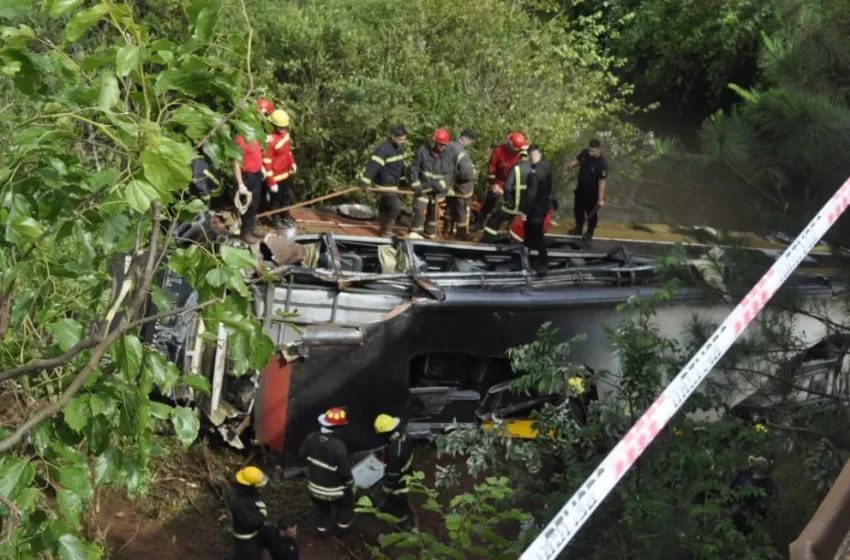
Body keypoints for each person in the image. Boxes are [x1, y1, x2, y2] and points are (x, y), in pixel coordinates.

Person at [299, 407, 355, 536]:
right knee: (345, 507)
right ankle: (342, 531)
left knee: (321, 510)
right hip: (335, 492)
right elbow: (345, 472)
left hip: (314, 489)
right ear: (337, 428)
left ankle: (322, 532)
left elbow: (301, 454)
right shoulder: (339, 447)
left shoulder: (311, 438)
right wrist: (350, 484)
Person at [233, 98, 274, 243]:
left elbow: (257, 152)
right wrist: (240, 184)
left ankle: (251, 229)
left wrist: (262, 167)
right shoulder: (241, 139)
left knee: (255, 203)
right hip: (248, 176)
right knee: (249, 205)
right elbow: (236, 162)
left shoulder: (255, 135)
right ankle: (246, 233)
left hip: (257, 174)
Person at [359, 125, 408, 237]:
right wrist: (365, 181)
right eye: (400, 139)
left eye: (403, 139)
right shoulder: (383, 149)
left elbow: (399, 167)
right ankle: (386, 231)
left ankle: (382, 228)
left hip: (393, 184)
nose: (402, 142)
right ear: (393, 136)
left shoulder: (399, 149)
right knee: (395, 206)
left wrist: (402, 181)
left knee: (386, 206)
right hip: (384, 184)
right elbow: (373, 165)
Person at [474, 132, 528, 229]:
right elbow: (491, 171)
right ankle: (479, 223)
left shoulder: (523, 154)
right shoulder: (498, 151)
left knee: (517, 203)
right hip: (500, 182)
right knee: (491, 198)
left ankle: (511, 226)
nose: (516, 151)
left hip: (515, 184)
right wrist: (493, 184)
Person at [408, 128, 454, 239]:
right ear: (435, 143)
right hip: (423, 189)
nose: (443, 147)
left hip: (437, 192)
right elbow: (413, 170)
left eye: (445, 144)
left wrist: (440, 185)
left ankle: (429, 234)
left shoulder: (447, 154)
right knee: (418, 210)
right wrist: (416, 186)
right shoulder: (423, 152)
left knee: (433, 215)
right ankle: (413, 234)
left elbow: (450, 173)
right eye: (441, 144)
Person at [480, 148, 530, 243]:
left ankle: (487, 241)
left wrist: (508, 200)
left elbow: (507, 187)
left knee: (494, 219)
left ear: (519, 157)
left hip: (513, 206)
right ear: (528, 156)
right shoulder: (535, 169)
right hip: (527, 209)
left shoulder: (515, 168)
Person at [517, 146, 554, 274]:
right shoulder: (547, 167)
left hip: (534, 210)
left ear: (530, 156)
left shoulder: (534, 174)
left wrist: (524, 212)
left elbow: (530, 195)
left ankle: (542, 264)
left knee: (533, 236)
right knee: (533, 236)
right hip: (543, 207)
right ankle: (528, 262)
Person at [374, 414, 414, 522]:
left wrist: (385, 488)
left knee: (396, 508)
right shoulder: (404, 437)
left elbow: (392, 476)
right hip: (407, 475)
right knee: (401, 503)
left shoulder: (394, 454)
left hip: (399, 486)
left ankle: (399, 526)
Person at [567, 138, 608, 241]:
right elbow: (578, 160)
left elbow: (602, 183)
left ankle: (590, 232)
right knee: (578, 210)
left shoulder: (602, 164)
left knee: (591, 213)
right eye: (590, 150)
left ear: (598, 149)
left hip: (592, 193)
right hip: (581, 189)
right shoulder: (585, 153)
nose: (590, 153)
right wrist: (571, 165)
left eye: (593, 151)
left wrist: (600, 199)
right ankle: (578, 228)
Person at [264, 109, 297, 228]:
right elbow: (266, 161)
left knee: (286, 196)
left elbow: (288, 152)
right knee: (276, 199)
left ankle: (285, 215)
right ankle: (276, 218)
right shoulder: (270, 140)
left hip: (286, 172)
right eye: (279, 127)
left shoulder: (285, 134)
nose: (282, 129)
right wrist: (271, 182)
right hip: (275, 174)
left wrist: (292, 163)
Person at [229, 465, 271, 560]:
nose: (260, 489)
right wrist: (263, 513)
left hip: (254, 539)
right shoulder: (239, 503)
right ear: (250, 487)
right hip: (245, 543)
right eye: (258, 487)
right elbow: (252, 522)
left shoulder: (248, 495)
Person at [444, 129, 478, 240]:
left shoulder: (448, 146)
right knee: (462, 210)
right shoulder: (462, 153)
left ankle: (446, 231)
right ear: (466, 139)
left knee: (449, 208)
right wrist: (474, 174)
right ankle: (461, 234)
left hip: (448, 186)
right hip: (461, 188)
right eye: (470, 141)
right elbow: (467, 173)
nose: (469, 144)